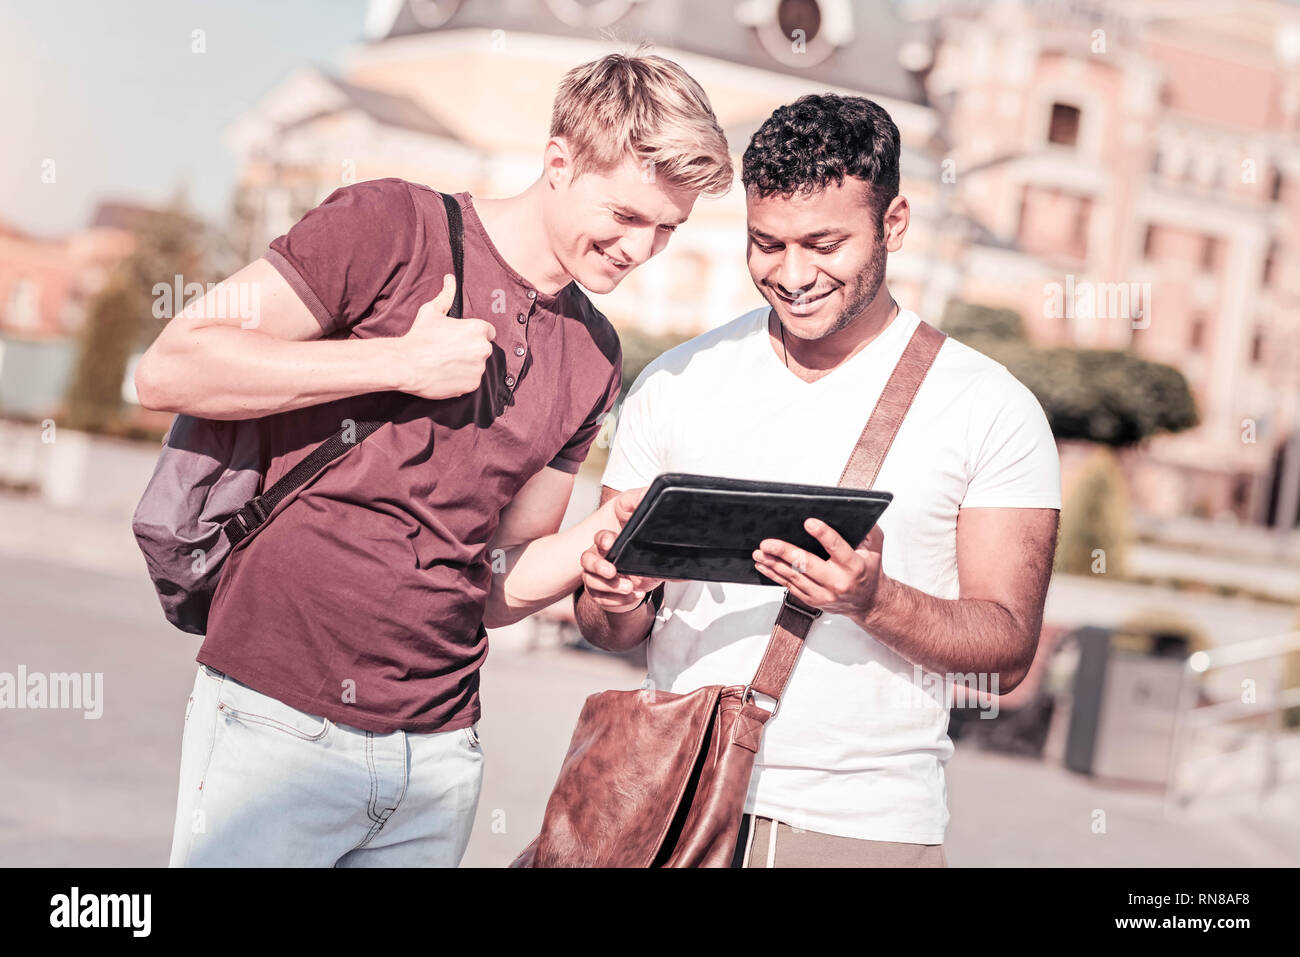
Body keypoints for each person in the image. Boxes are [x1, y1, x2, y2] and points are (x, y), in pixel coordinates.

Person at [135, 52, 733, 867]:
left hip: (438, 758)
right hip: (275, 720)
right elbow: (172, 366)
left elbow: (494, 579)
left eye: (668, 227)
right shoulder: (391, 225)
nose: (642, 247)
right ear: (559, 161)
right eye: (627, 215)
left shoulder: (595, 353)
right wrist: (394, 364)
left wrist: (606, 539)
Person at [576, 93, 1061, 868]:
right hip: (667, 802)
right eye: (766, 243)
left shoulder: (989, 406)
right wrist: (611, 597)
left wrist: (872, 599)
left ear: (893, 224)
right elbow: (609, 630)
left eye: (823, 243)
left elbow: (1006, 650)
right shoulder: (675, 381)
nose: (792, 274)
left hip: (859, 829)